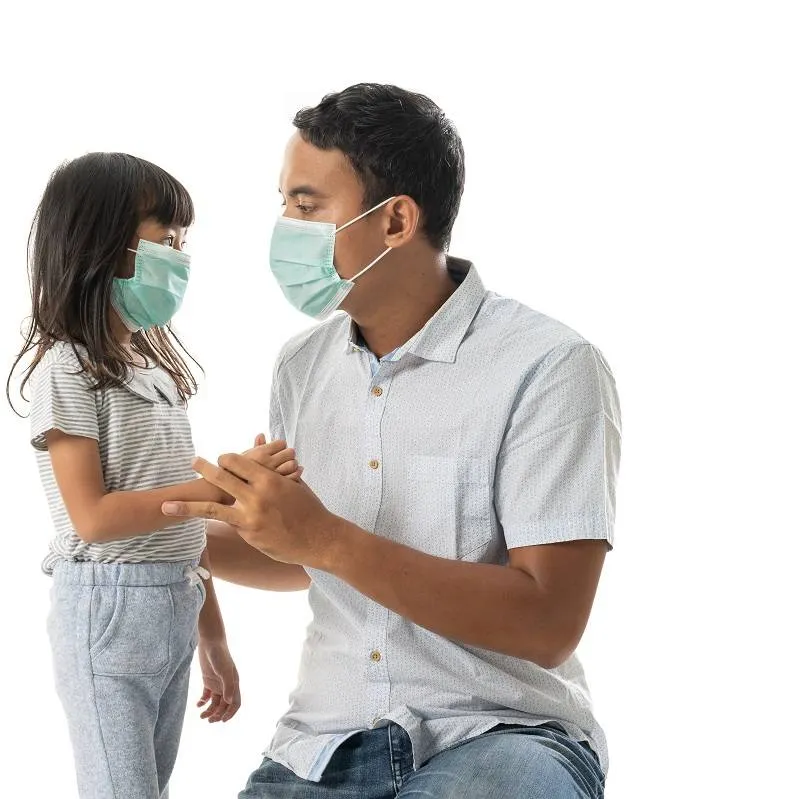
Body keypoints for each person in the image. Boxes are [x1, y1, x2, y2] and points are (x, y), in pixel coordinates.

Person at [163, 84, 621, 798]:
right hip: (323, 744)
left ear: (397, 220)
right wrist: (171, 534)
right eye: (284, 202)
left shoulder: (549, 366)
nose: (285, 226)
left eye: (307, 206)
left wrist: (324, 537)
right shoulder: (301, 365)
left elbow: (549, 620)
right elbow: (301, 559)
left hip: (501, 734)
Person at [9, 152, 300, 799]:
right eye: (165, 238)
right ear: (103, 240)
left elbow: (185, 529)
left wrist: (214, 637)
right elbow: (95, 517)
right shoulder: (68, 369)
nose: (179, 256)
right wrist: (218, 486)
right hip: (107, 610)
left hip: (175, 600)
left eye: (183, 241)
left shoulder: (158, 373)